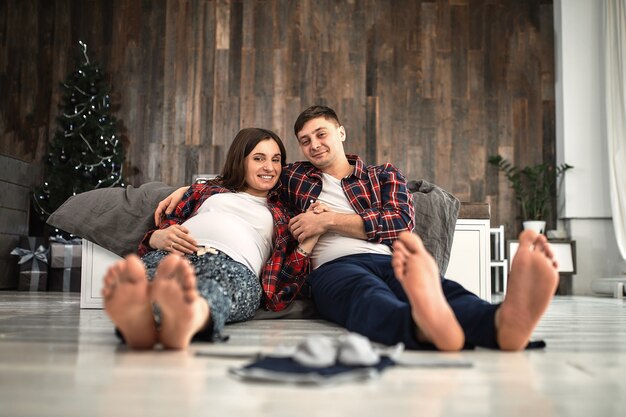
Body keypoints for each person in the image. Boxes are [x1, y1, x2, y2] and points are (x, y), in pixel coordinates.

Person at [157, 106, 560, 352]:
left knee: (442, 289)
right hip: (333, 267)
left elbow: (401, 222)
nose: (314, 145)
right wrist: (187, 190)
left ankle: (502, 323)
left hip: (387, 256)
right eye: (304, 140)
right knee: (366, 297)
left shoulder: (384, 175)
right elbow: (243, 178)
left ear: (340, 132)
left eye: (321, 134)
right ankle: (422, 327)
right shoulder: (293, 176)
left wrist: (328, 219)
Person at [103, 128, 316, 350]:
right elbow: (170, 222)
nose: (269, 167)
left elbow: (287, 277)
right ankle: (147, 314)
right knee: (153, 273)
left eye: (276, 159)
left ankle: (182, 319)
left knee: (215, 290)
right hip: (176, 253)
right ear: (240, 161)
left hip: (233, 264)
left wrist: (311, 239)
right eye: (258, 158)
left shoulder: (285, 211)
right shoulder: (207, 191)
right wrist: (156, 237)